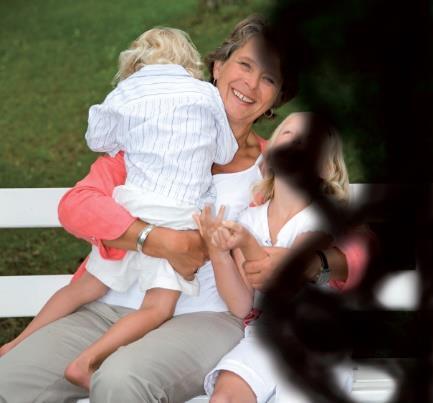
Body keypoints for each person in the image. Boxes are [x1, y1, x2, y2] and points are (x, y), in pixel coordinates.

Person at [0, 15, 373, 403]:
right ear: (218, 67)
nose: (251, 84)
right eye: (245, 65)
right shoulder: (147, 140)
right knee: (7, 382)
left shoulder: (275, 164)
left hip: (205, 319)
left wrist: (315, 261)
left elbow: (357, 242)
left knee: (120, 380)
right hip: (109, 309)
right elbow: (77, 206)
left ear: (276, 98)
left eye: (269, 79)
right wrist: (161, 241)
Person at [0, 26, 239, 391]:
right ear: (204, 65)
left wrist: (133, 135)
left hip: (134, 203)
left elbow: (97, 137)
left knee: (84, 287)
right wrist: (160, 239)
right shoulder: (204, 95)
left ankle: (18, 341)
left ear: (137, 59)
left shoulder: (127, 92)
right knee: (158, 307)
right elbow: (224, 152)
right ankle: (86, 361)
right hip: (178, 215)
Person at [199, 112, 352, 403]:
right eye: (287, 135)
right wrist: (218, 253)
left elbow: (282, 277)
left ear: (326, 167)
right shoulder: (250, 218)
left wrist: (244, 240)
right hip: (266, 337)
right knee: (224, 398)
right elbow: (243, 304)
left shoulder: (325, 216)